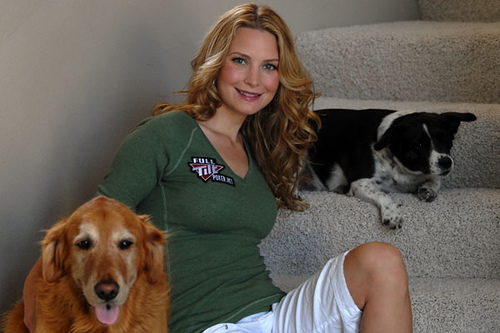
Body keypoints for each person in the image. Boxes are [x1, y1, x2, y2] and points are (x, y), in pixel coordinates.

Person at [23, 3, 412, 332]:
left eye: (269, 66)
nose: (254, 80)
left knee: (381, 261)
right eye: (240, 61)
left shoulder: (255, 149)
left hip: (274, 315)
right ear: (216, 63)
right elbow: (80, 239)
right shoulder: (166, 135)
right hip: (205, 325)